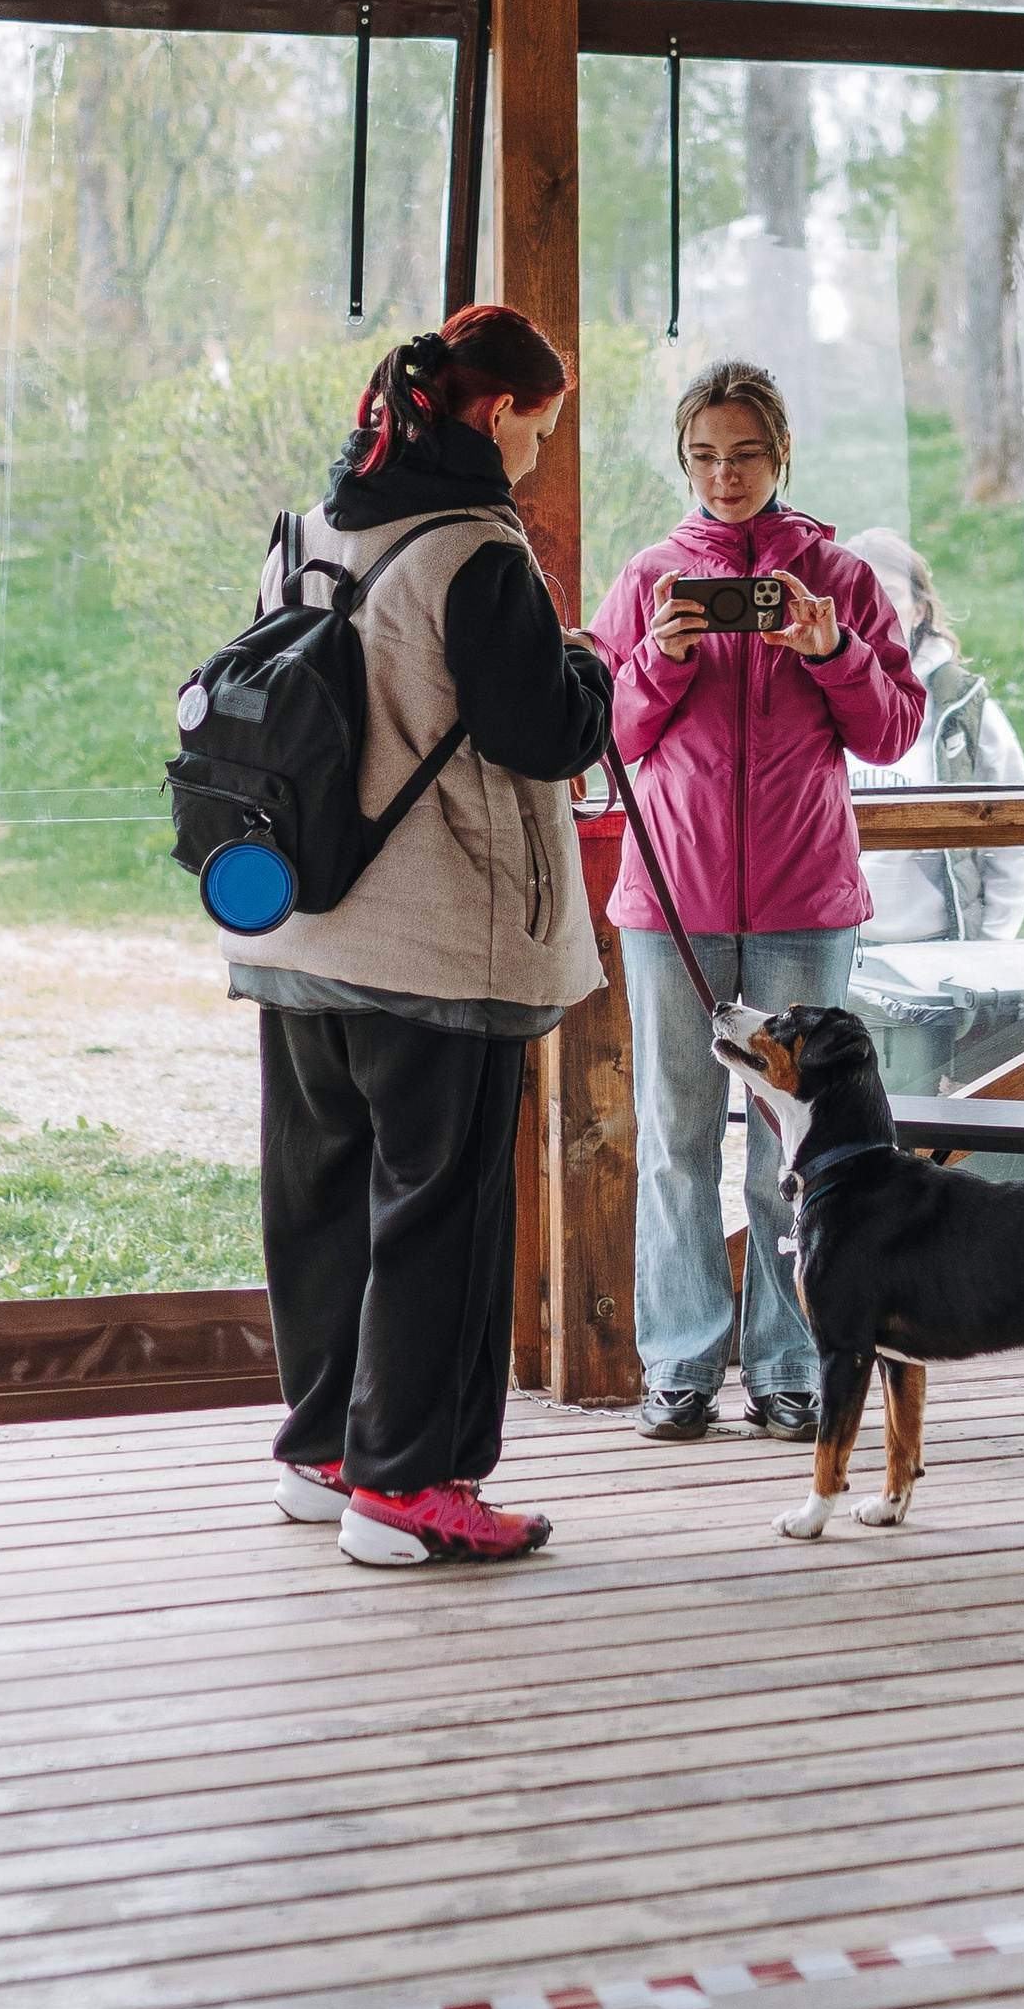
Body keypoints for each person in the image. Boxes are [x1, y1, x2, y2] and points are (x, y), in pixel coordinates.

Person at [227, 306, 614, 1568]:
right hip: (438, 943)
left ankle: (327, 1451)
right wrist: (593, 669)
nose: (539, 457)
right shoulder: (475, 552)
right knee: (439, 1210)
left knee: (322, 1197)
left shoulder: (311, 529)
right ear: (497, 413)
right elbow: (541, 733)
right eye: (540, 432)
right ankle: (411, 1483)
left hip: (300, 928)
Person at [591, 358, 923, 1443]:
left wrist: (831, 648)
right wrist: (658, 658)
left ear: (781, 455)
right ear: (682, 461)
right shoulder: (649, 577)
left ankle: (788, 1363)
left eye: (743, 455)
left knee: (794, 1151)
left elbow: (892, 732)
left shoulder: (840, 580)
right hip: (672, 903)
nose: (723, 476)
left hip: (804, 903)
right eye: (702, 456)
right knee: (676, 1140)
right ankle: (681, 1365)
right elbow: (606, 737)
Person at [843, 528, 1024, 944]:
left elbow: (1015, 830)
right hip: (833, 952)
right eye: (858, 595)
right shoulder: (804, 703)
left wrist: (992, 943)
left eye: (889, 593)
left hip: (941, 949)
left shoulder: (962, 706)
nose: (873, 609)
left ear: (918, 610)